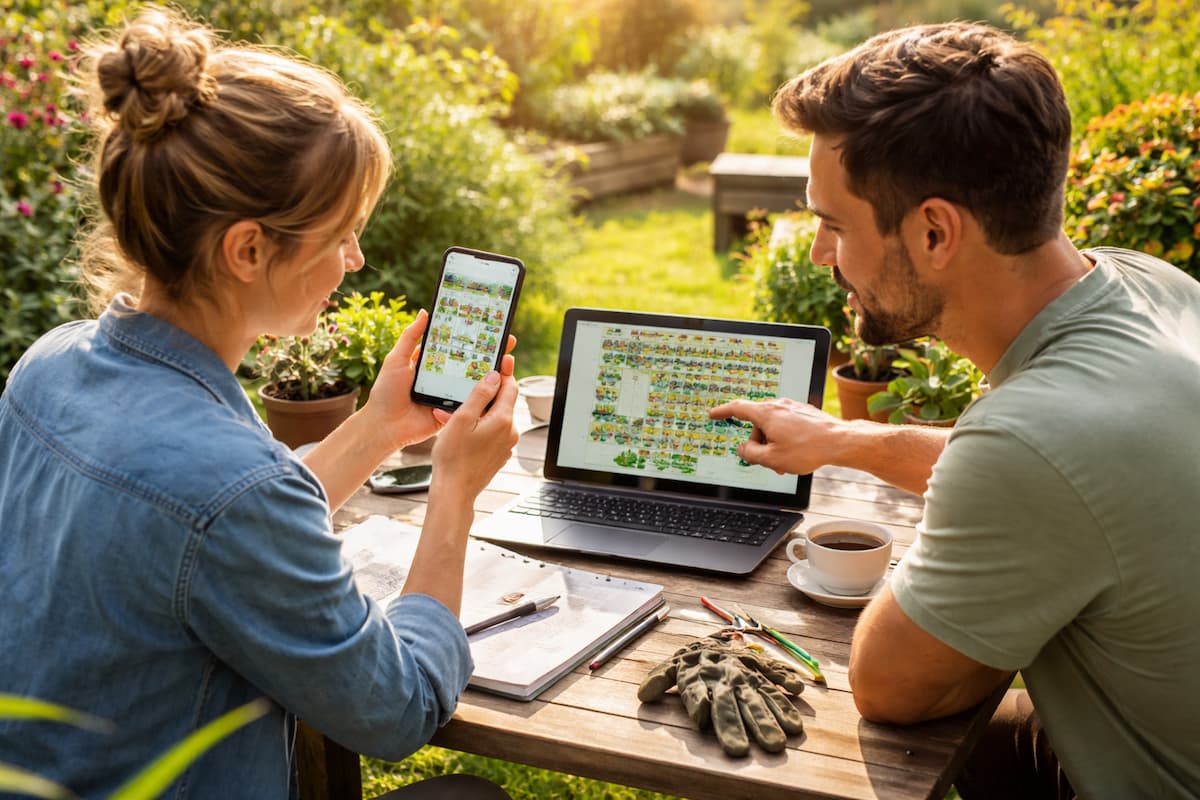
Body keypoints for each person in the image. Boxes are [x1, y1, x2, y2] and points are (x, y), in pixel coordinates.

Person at [0, 9, 516, 799]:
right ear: (247, 249)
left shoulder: (46, 368)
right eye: (341, 234)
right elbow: (398, 710)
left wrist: (379, 426)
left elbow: (202, 530)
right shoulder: (232, 489)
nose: (357, 258)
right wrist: (453, 492)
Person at [710, 21, 1200, 800]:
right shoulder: (1150, 286)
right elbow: (1061, 476)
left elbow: (890, 688)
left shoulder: (1031, 446)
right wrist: (843, 438)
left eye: (833, 224)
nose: (819, 256)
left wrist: (958, 529)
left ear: (935, 231)